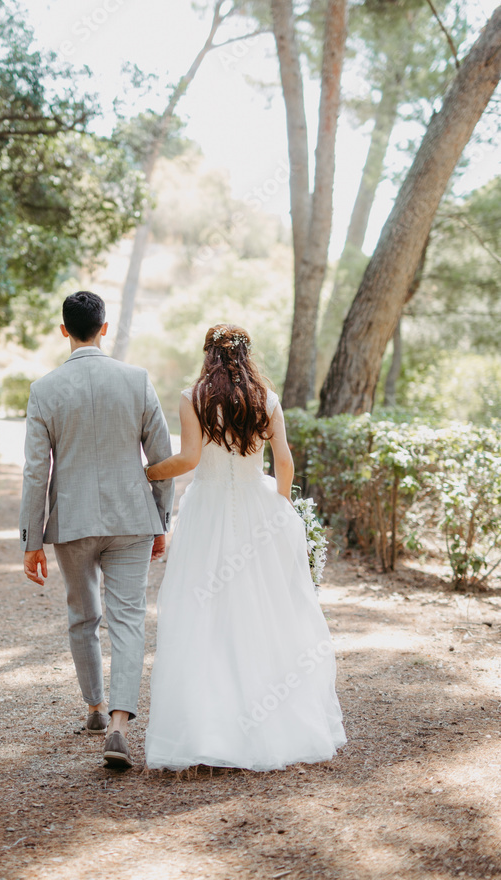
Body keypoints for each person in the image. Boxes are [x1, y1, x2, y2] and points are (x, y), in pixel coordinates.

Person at [143, 324, 346, 771]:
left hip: (208, 511)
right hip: (259, 508)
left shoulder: (192, 397)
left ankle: (207, 728)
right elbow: (286, 464)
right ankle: (267, 721)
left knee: (203, 613)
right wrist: (282, 510)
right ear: (246, 356)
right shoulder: (266, 400)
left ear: (209, 355)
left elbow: (190, 461)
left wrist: (148, 473)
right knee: (264, 611)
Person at [19, 291, 174, 770]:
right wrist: (161, 519)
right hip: (132, 521)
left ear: (63, 330)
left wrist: (32, 540)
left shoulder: (44, 390)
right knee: (128, 620)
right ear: (103, 328)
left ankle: (94, 706)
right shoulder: (136, 380)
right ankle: (120, 726)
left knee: (83, 615)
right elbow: (163, 458)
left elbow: (33, 473)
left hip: (73, 522)